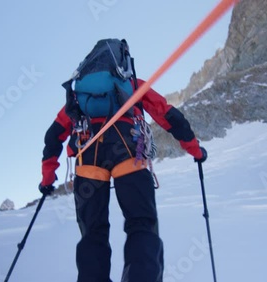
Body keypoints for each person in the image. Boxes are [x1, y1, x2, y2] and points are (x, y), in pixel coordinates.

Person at [39, 43, 207, 282]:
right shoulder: (132, 85)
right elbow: (168, 115)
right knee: (141, 225)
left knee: (92, 234)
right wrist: (195, 150)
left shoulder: (79, 95)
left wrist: (47, 179)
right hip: (130, 153)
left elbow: (53, 136)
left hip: (88, 158)